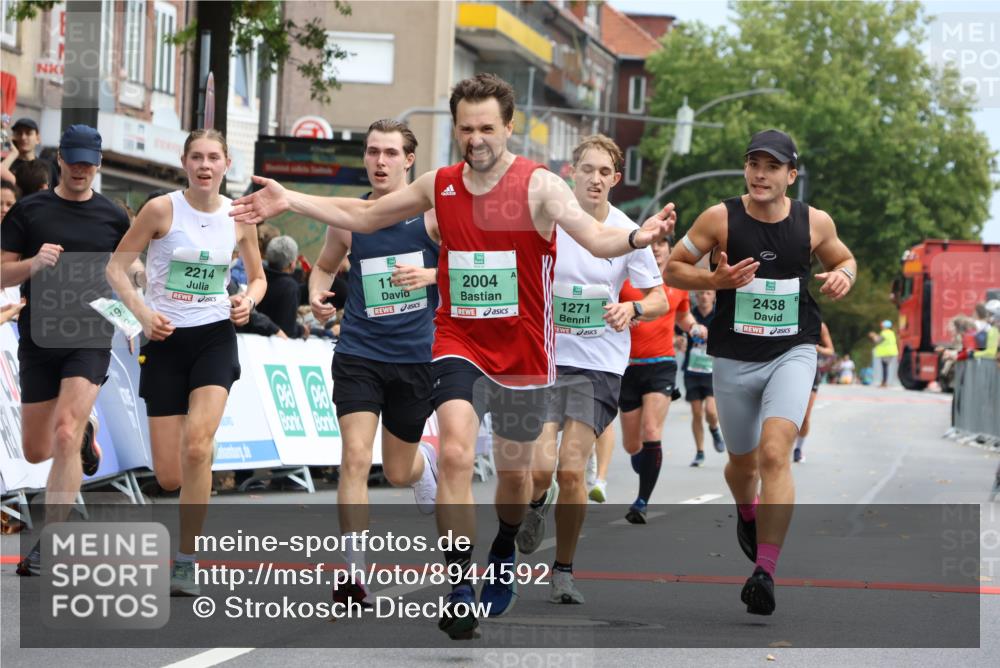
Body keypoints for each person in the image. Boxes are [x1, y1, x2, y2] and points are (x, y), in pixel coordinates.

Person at [230, 73, 674, 639]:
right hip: (456, 341)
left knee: (514, 477)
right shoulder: (440, 184)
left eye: (487, 127)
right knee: (458, 455)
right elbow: (366, 216)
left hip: (523, 352)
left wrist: (639, 237)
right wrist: (290, 197)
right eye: (466, 128)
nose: (476, 138)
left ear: (508, 127)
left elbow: (596, 237)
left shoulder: (539, 186)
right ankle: (460, 585)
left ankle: (505, 549)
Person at [665, 129, 856, 615]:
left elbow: (845, 259)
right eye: (753, 164)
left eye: (772, 167)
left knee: (776, 454)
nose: (760, 174)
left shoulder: (813, 223)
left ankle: (764, 572)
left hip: (792, 351)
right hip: (733, 357)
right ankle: (747, 512)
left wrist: (843, 276)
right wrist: (714, 279)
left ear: (791, 175)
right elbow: (672, 268)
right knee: (743, 465)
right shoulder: (718, 217)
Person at [105, 129, 267, 596]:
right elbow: (116, 268)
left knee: (198, 445)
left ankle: (186, 558)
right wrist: (142, 313)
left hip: (215, 338)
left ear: (225, 163)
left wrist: (247, 303)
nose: (204, 165)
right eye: (196, 156)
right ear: (184, 161)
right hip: (165, 340)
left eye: (213, 157)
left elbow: (256, 280)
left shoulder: (239, 215)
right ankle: (193, 474)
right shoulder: (161, 209)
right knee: (169, 474)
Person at [516, 135, 667, 604]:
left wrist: (633, 311)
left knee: (573, 470)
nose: (596, 178)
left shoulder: (628, 232)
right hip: (545, 357)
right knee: (540, 469)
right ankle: (536, 503)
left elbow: (658, 297)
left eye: (605, 172)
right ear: (571, 172)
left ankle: (563, 570)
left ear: (615, 180)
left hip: (598, 364)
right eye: (588, 169)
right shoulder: (549, 220)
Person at [305, 119, 441, 608]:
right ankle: (352, 574)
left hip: (415, 359)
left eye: (390, 153)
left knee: (398, 470)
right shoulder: (348, 215)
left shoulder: (431, 218)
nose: (379, 161)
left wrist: (427, 275)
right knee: (356, 458)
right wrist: (318, 296)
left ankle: (424, 467)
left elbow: (469, 271)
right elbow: (324, 265)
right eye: (372, 152)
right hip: (359, 353)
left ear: (409, 160)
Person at [1, 125, 132, 575]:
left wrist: (134, 319)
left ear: (98, 164)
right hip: (38, 340)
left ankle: (49, 542)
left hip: (90, 336)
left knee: (63, 432)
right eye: (73, 160)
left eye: (88, 162)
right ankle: (87, 434)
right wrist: (32, 265)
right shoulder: (28, 211)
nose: (80, 169)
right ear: (59, 160)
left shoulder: (114, 218)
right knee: (38, 450)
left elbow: (126, 276)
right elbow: (1, 274)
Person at [619, 237, 704, 522]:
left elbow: (683, 315)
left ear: (669, 249)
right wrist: (623, 317)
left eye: (660, 244)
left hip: (662, 365)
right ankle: (644, 465)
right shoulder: (626, 280)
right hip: (628, 366)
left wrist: (694, 327)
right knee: (632, 445)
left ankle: (641, 502)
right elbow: (612, 312)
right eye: (649, 245)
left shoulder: (676, 283)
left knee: (651, 430)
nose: (655, 249)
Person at [683, 289, 726, 467]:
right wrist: (679, 340)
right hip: (692, 369)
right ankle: (699, 452)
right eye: (701, 293)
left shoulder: (719, 314)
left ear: (714, 296)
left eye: (708, 293)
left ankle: (714, 428)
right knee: (696, 412)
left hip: (711, 369)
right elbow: (677, 332)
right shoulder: (689, 315)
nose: (704, 297)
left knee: (710, 411)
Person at [794, 321, 834, 462]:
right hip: (789, 371)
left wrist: (817, 348)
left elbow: (830, 350)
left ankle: (798, 448)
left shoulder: (820, 325)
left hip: (811, 372)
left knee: (804, 417)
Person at [258, 235, 307, 338]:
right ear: (292, 264)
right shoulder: (290, 287)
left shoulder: (258, 278)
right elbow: (288, 330)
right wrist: (302, 330)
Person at [8, 118, 60, 189]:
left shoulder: (48, 167)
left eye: (28, 133)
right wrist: (13, 154)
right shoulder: (7, 164)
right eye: (19, 133)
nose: (23, 137)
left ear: (38, 138)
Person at [868, 319, 897, 388]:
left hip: (886, 352)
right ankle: (886, 381)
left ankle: (884, 382)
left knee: (885, 368)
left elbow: (877, 340)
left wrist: (873, 336)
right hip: (892, 352)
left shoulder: (884, 333)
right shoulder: (891, 333)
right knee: (888, 368)